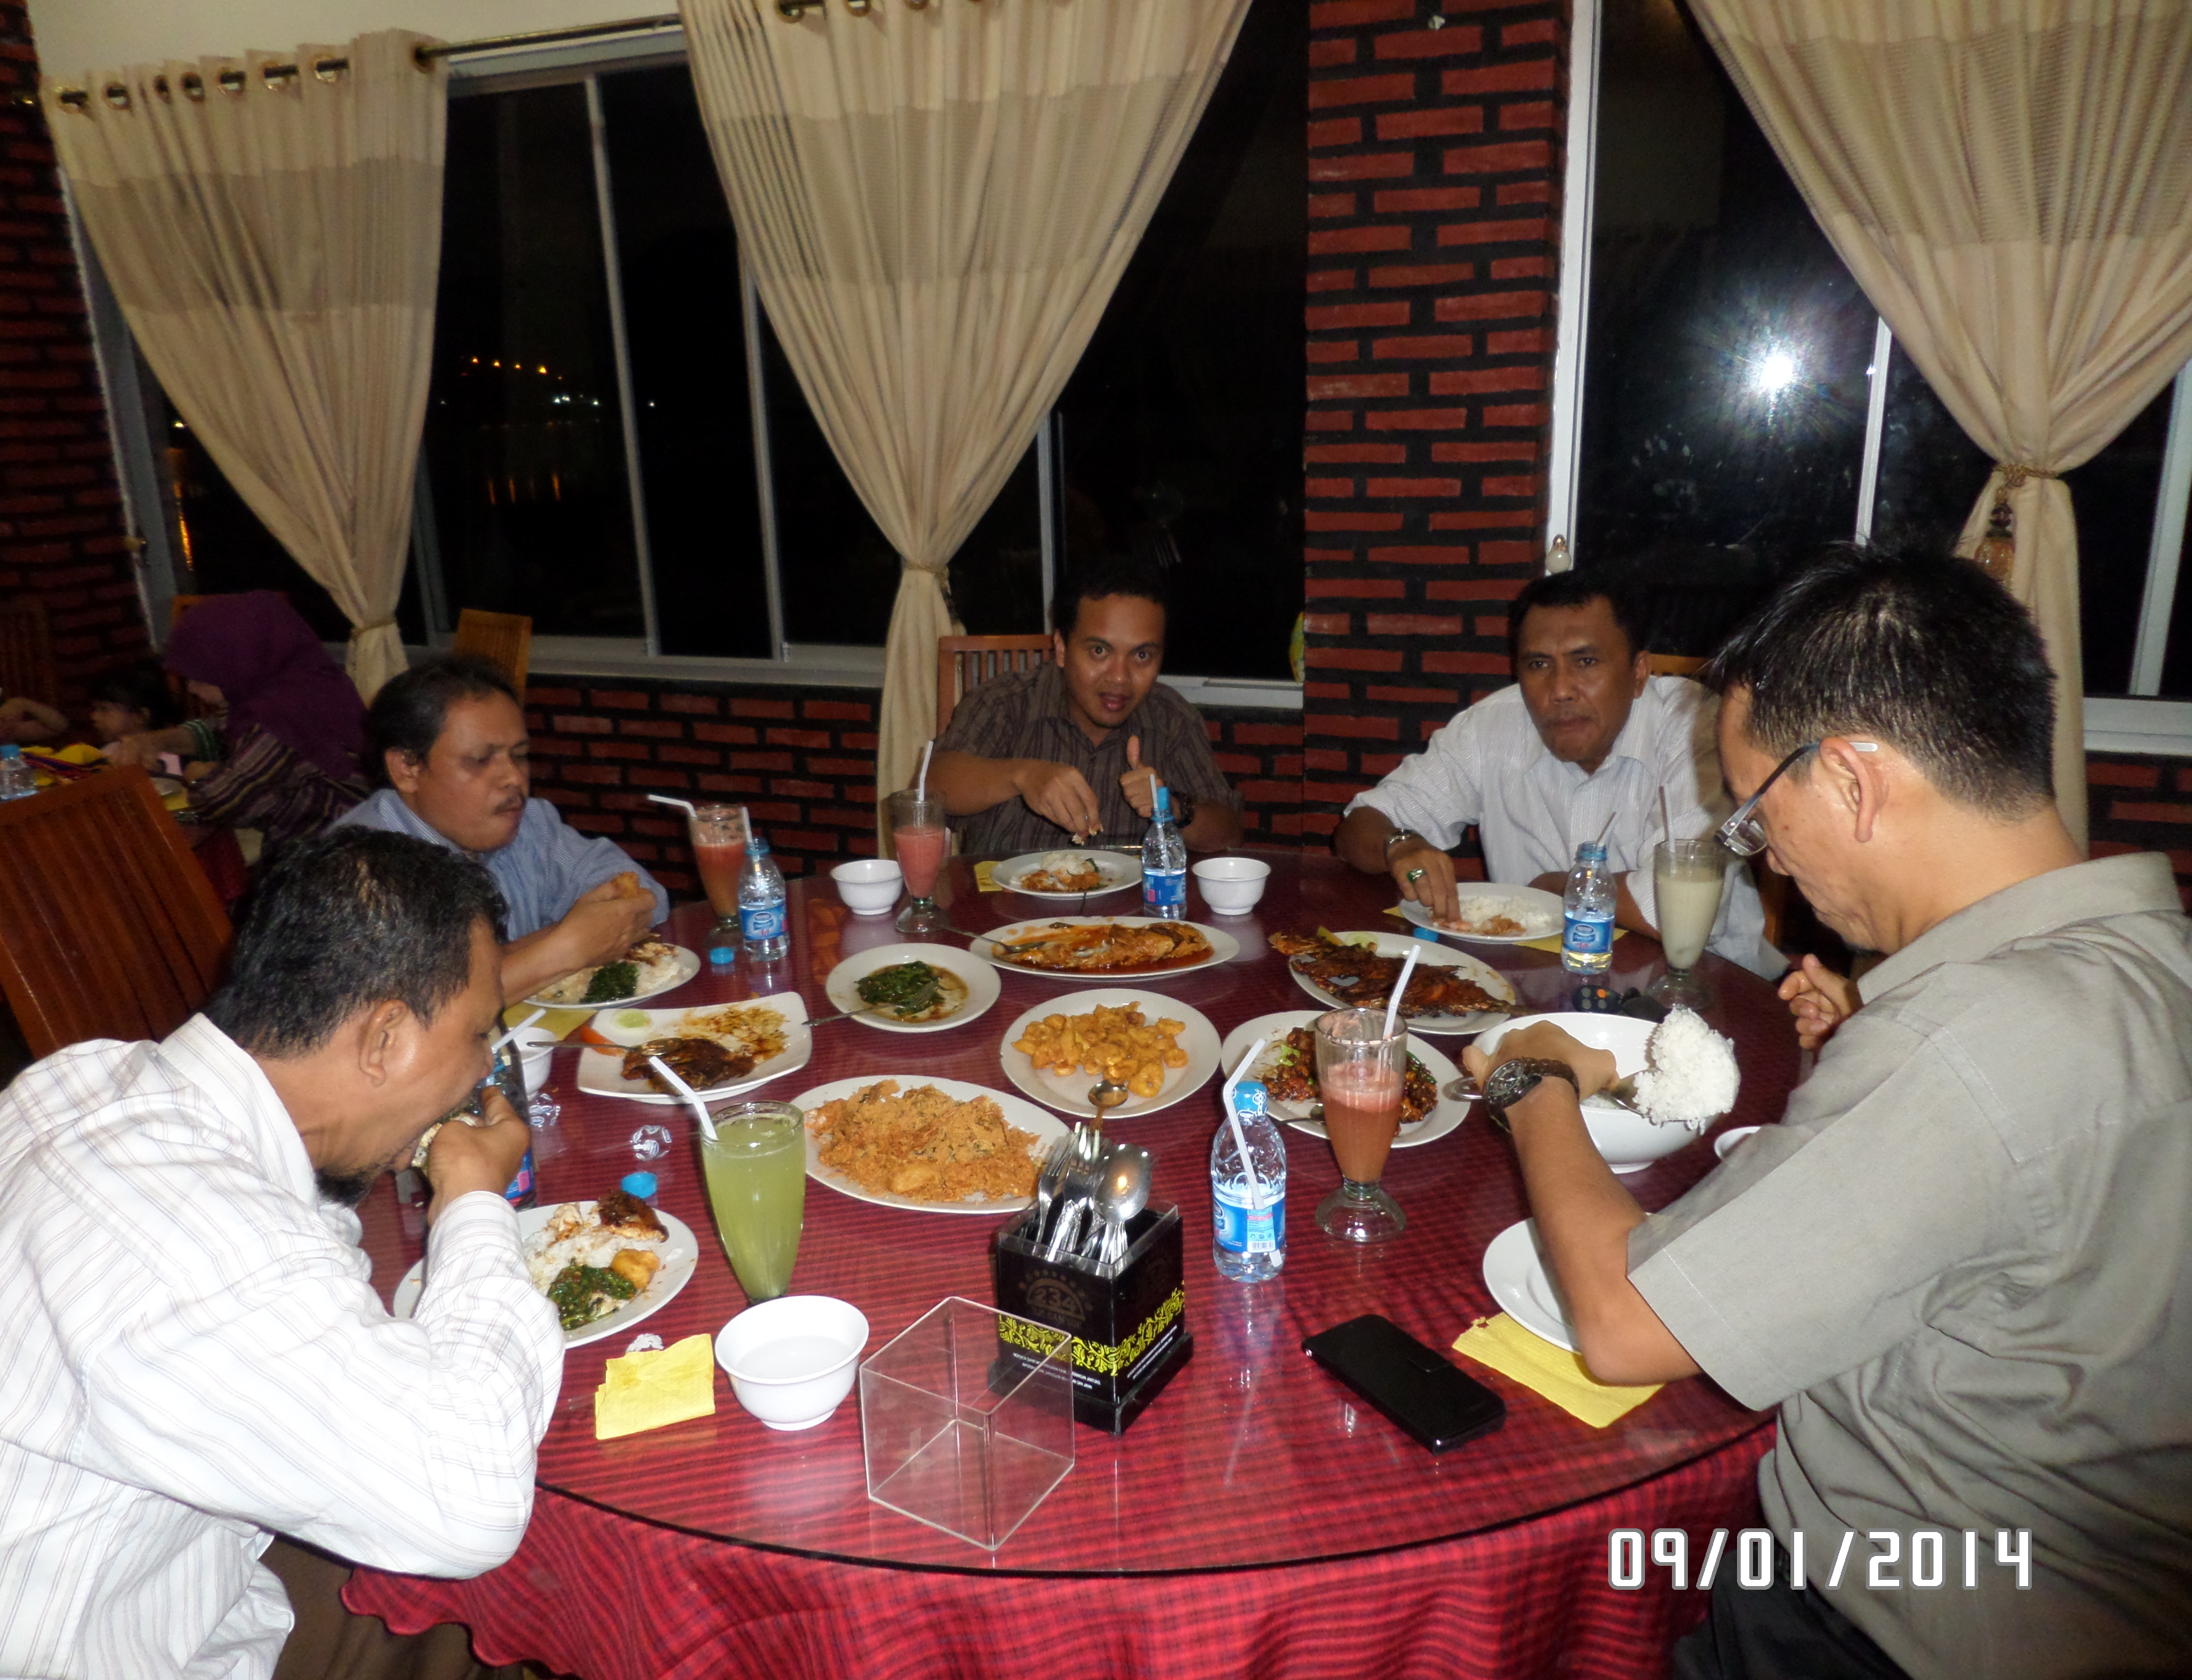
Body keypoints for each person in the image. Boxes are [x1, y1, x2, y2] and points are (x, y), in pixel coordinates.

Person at [1463, 550, 2192, 1679]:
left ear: (1852, 780)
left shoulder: (1965, 1040)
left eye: (1758, 811)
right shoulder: (2150, 957)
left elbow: (1618, 1325)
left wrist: (1531, 1075)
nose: (1773, 863)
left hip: (1894, 1620)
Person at [0, 828, 562, 1678]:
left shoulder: (80, 1079)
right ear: (385, 1037)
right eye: (475, 1037)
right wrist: (471, 1203)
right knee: (530, 1605)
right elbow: (471, 1502)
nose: (477, 1078)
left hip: (173, 1579)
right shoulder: (200, 1245)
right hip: (98, 1651)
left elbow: (285, 1257)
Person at [1333, 567, 1778, 976]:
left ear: (1639, 672)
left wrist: (1552, 888)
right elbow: (1355, 830)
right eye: (1539, 665)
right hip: (1533, 991)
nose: (1560, 690)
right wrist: (1400, 844)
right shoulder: (1490, 727)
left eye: (1586, 662)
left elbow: (1670, 908)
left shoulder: (1696, 727)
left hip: (1710, 990)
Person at [336, 654, 666, 1002]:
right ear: (407, 768)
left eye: (520, 755)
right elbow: (411, 1014)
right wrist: (566, 947)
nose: (514, 778)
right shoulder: (357, 869)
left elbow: (644, 892)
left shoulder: (528, 823)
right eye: (481, 760)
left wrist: (575, 936)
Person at [928, 548, 1240, 854]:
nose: (1120, 677)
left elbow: (1229, 834)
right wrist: (1021, 776)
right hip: (1005, 901)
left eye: (1142, 655)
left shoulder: (1172, 718)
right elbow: (931, 789)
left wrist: (1171, 807)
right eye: (1099, 652)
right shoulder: (1004, 703)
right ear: (1062, 648)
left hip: (1133, 904)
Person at [104, 593, 369, 855]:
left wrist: (197, 776)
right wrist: (156, 740)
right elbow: (220, 728)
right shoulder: (303, 679)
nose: (192, 688)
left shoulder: (277, 717)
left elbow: (221, 801)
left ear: (238, 657)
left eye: (201, 675)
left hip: (339, 854)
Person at [87, 659, 178, 747]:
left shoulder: (169, 757)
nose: (94, 717)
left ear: (141, 716)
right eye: (95, 709)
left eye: (104, 709)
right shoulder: (106, 755)